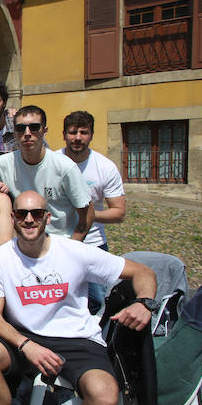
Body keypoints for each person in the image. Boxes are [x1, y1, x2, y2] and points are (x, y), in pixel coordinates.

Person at [0, 191, 156, 405]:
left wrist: (145, 302)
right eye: (21, 214)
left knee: (106, 397)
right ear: (12, 219)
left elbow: (142, 272)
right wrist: (26, 345)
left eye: (36, 213)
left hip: (76, 339)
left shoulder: (74, 251)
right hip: (26, 337)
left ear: (48, 217)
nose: (29, 219)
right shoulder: (0, 259)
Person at [60, 111, 126, 310]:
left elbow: (119, 212)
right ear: (64, 134)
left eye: (83, 132)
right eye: (72, 132)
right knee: (60, 298)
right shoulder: (52, 161)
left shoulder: (105, 167)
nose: (78, 137)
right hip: (58, 241)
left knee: (96, 302)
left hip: (93, 244)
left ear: (92, 134)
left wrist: (86, 215)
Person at [0, 106, 93, 241]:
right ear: (14, 132)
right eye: (20, 128)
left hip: (59, 243)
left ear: (45, 131)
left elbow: (88, 213)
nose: (27, 133)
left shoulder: (65, 167)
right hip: (21, 244)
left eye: (34, 127)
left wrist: (72, 246)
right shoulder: (1, 165)